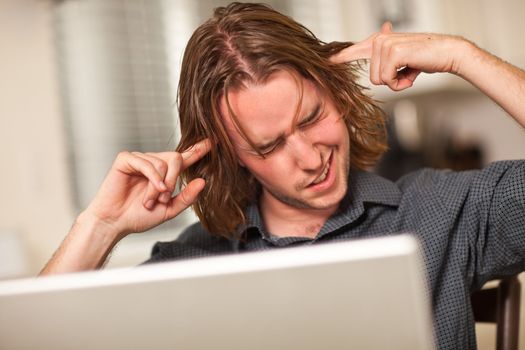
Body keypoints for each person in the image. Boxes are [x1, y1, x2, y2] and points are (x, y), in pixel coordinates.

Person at [41, 2, 525, 349]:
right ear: (234, 157)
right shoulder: (196, 263)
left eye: (312, 118)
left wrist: (464, 56)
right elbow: (37, 339)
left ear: (336, 93)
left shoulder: (441, 209)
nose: (311, 159)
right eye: (269, 146)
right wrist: (100, 228)